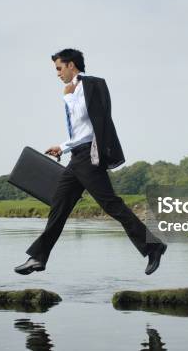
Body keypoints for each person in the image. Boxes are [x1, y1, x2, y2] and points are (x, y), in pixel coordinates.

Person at [14, 48, 167, 275]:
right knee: (59, 207)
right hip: (77, 157)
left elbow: (94, 120)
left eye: (59, 68)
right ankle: (38, 258)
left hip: (88, 158)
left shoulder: (91, 85)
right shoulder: (71, 90)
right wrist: (64, 147)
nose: (57, 74)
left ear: (71, 65)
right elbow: (80, 130)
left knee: (112, 205)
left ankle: (153, 247)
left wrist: (68, 95)